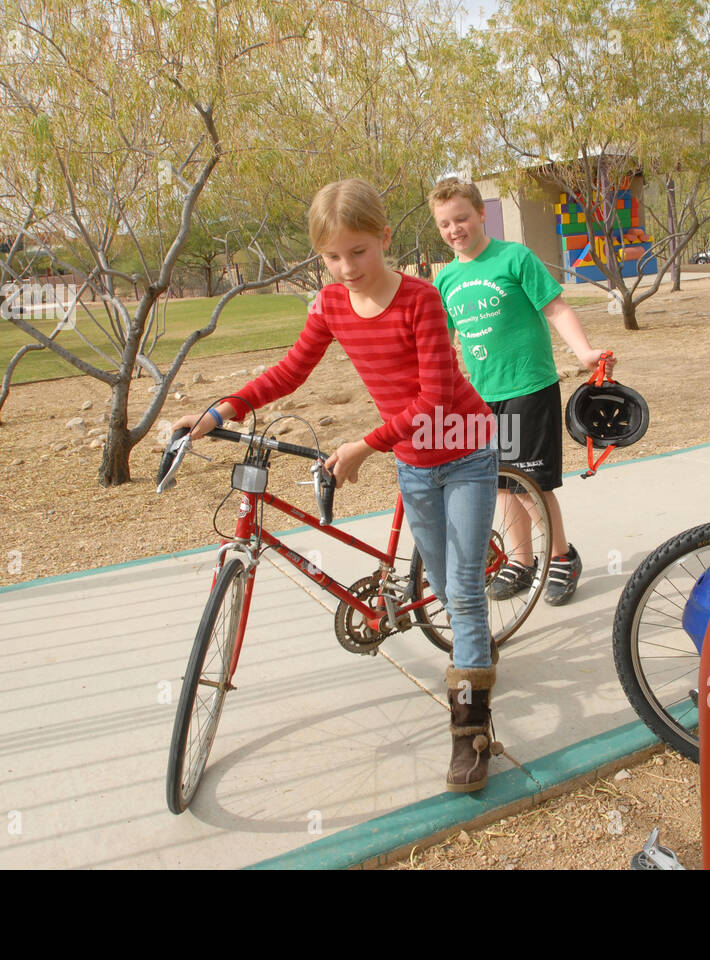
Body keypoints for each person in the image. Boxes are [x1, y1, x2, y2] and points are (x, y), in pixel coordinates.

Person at [170, 179, 501, 793]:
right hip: (414, 460)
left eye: (359, 252)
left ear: (385, 238)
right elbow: (291, 370)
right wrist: (222, 411)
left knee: (461, 583)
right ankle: (475, 658)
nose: (347, 268)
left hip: (465, 447)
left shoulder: (420, 300)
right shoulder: (330, 305)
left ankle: (471, 734)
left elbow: (434, 398)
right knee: (447, 590)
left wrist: (362, 447)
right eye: (332, 257)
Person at [429, 177, 615, 606]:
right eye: (445, 224)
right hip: (482, 396)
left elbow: (556, 307)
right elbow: (442, 338)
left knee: (531, 482)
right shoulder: (447, 279)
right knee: (499, 483)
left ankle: (561, 558)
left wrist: (584, 351)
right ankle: (521, 560)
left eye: (461, 218)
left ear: (480, 214)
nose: (455, 229)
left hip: (529, 387)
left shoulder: (514, 258)